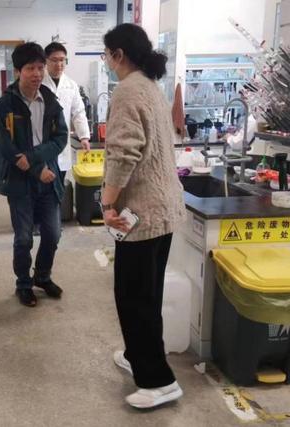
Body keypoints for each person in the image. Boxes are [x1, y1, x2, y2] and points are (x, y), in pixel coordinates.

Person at [100, 23, 187, 409]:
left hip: (141, 213)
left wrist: (107, 204)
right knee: (146, 294)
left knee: (134, 298)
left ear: (118, 54)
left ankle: (158, 381)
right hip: (163, 210)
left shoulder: (127, 90)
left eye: (107, 54)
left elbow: (124, 153)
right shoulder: (151, 86)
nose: (107, 60)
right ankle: (137, 355)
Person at [0, 42, 68, 307]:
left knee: (53, 234)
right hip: (20, 181)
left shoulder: (50, 100)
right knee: (23, 238)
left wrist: (34, 158)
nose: (37, 73)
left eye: (40, 67)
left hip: (48, 179)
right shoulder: (5, 105)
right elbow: (6, 148)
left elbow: (61, 138)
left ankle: (42, 276)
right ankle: (23, 284)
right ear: (17, 71)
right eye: (30, 68)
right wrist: (36, 169)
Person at [42, 42, 91, 180]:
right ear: (46, 61)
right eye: (54, 60)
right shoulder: (39, 83)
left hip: (62, 142)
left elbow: (78, 112)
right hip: (43, 141)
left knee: (59, 181)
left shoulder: (71, 85)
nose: (59, 64)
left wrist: (84, 137)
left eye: (62, 60)